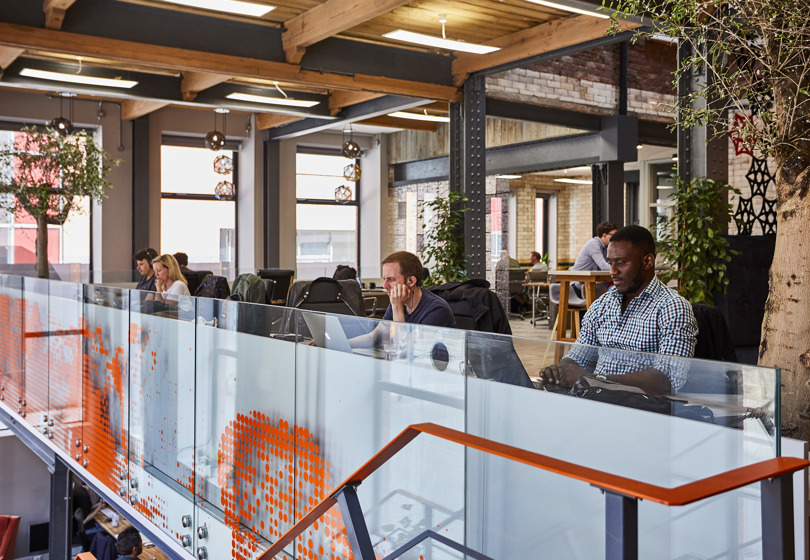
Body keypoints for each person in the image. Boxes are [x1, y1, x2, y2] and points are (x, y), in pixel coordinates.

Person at [541, 225, 697, 395]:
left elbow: (667, 380)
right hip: (595, 400)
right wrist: (559, 370)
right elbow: (578, 358)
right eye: (610, 263)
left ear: (647, 261)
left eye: (621, 263)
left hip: (641, 409)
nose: (613, 271)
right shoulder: (602, 305)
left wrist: (593, 379)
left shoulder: (673, 308)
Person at [351, 251, 455, 348]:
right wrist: (343, 344)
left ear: (411, 281)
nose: (385, 285)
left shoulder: (437, 309)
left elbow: (404, 347)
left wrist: (397, 307)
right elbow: (373, 337)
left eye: (390, 279)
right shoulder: (398, 302)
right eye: (384, 279)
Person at [570, 221, 617, 298]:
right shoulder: (593, 244)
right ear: (604, 235)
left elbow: (607, 266)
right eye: (614, 235)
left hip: (589, 283)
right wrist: (620, 269)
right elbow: (604, 266)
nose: (616, 238)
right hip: (577, 286)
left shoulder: (605, 247)